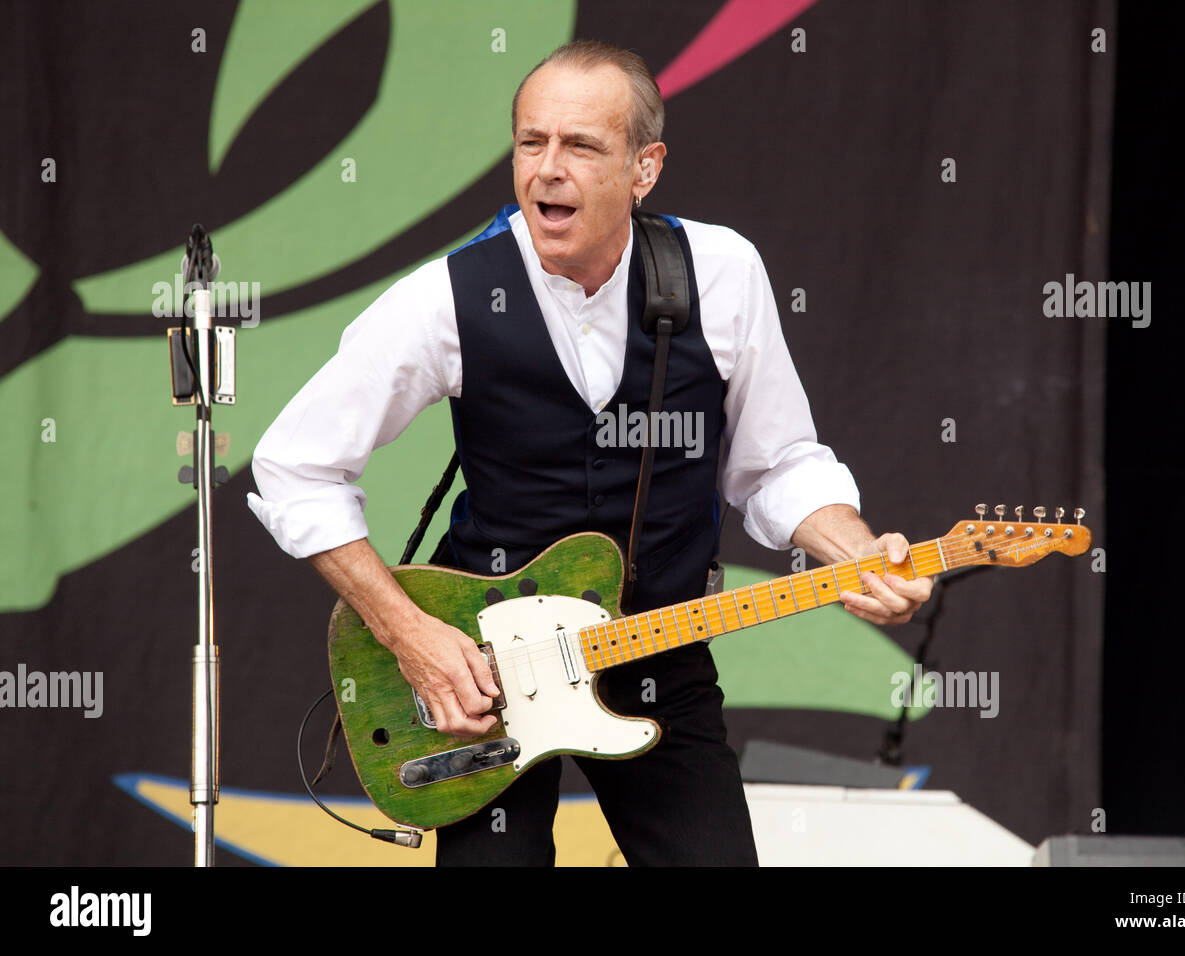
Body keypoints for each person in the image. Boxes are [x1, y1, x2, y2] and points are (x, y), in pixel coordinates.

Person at [248, 40, 932, 866]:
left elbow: (776, 463)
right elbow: (295, 465)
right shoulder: (449, 298)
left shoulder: (721, 273)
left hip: (658, 653)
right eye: (531, 142)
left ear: (645, 169)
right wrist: (411, 636)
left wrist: (855, 553)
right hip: (485, 674)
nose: (547, 170)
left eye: (580, 146)